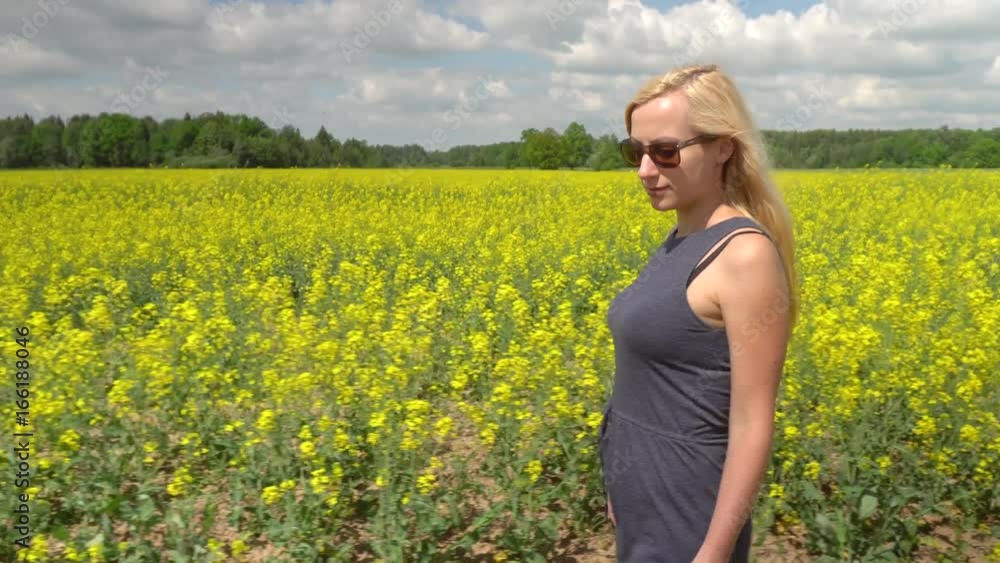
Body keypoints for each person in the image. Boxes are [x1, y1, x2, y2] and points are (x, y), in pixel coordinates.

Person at [598, 63, 799, 562]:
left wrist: (712, 551)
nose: (646, 170)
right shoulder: (679, 239)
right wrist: (621, 479)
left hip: (687, 513)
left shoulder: (744, 256)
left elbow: (753, 424)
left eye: (665, 151)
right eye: (635, 152)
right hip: (643, 498)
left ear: (724, 147)